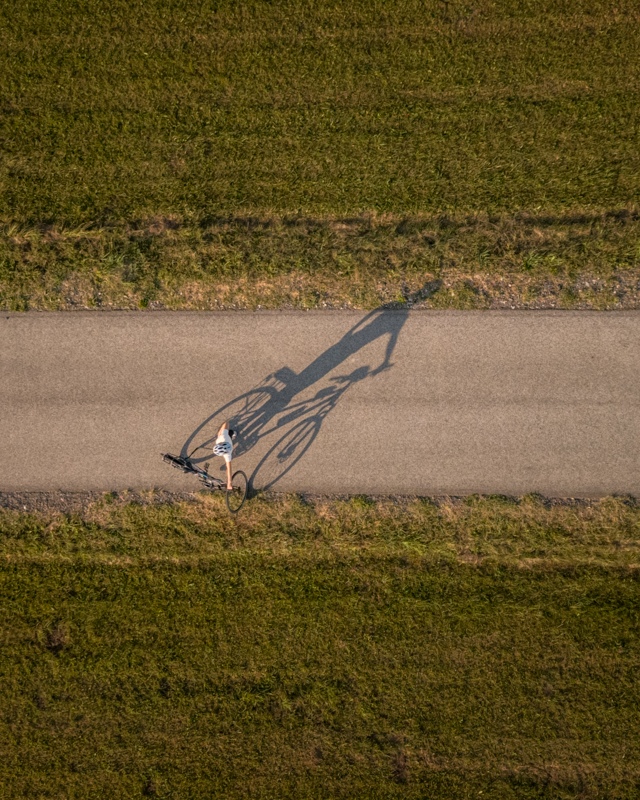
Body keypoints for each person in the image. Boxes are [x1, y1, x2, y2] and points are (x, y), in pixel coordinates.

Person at [212, 421, 236, 490]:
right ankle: (231, 433)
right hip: (226, 438)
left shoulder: (227, 455)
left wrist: (230, 482)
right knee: (227, 433)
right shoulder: (223, 436)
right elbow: (227, 423)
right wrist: (220, 431)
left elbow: (229, 469)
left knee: (225, 434)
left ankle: (231, 433)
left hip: (227, 440)